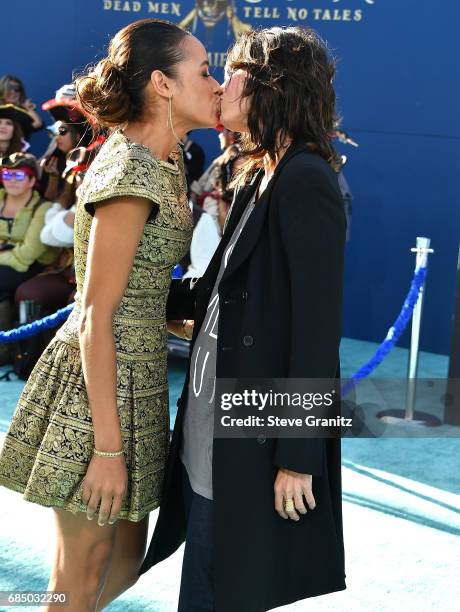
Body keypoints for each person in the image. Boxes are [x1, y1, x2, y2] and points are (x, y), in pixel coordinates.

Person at [0, 17, 221, 612]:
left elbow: (141, 289)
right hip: (96, 388)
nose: (217, 83)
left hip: (138, 377)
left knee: (126, 557)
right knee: (82, 571)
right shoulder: (129, 172)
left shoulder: (163, 163)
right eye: (204, 70)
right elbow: (97, 311)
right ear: (163, 84)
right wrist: (106, 450)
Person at [139, 26, 347, 612]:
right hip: (212, 422)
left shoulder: (305, 179)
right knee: (206, 579)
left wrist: (297, 458)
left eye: (233, 71)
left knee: (222, 587)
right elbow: (215, 293)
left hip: (253, 437)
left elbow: (315, 328)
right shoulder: (260, 172)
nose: (221, 83)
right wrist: (131, 294)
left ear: (271, 87)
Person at [0, 153, 60, 299]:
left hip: (31, 266)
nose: (12, 180)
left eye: (19, 176)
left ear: (32, 181)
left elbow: (27, 254)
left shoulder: (43, 208)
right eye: (7, 175)